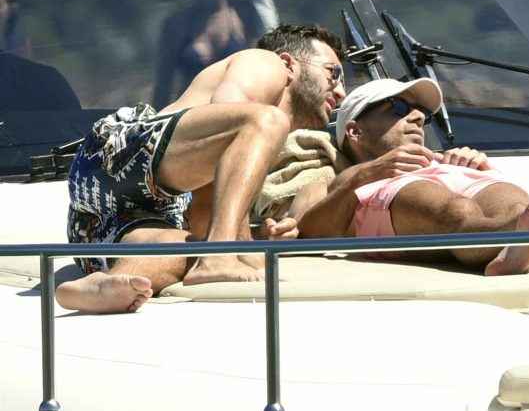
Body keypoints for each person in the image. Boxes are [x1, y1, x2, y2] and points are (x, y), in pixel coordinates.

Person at [57, 24, 347, 314]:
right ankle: (218, 255)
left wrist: (253, 241)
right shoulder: (266, 64)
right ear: (289, 63)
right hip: (121, 153)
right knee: (269, 121)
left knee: (187, 252)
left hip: (103, 220)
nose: (341, 92)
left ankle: (104, 284)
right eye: (333, 73)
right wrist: (234, 248)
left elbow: (205, 203)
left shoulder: (249, 143)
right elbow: (227, 110)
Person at [296, 78, 529, 275]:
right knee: (458, 211)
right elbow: (306, 233)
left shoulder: (443, 158)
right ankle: (526, 236)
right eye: (398, 108)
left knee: (514, 201)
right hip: (389, 187)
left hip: (446, 170)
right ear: (355, 132)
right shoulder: (342, 178)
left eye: (423, 115)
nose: (417, 117)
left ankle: (522, 241)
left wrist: (471, 162)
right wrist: (369, 173)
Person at [153, 0, 278, 107]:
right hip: (193, 113)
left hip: (239, 111)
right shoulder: (177, 25)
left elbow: (268, 61)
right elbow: (163, 86)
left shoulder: (244, 14)